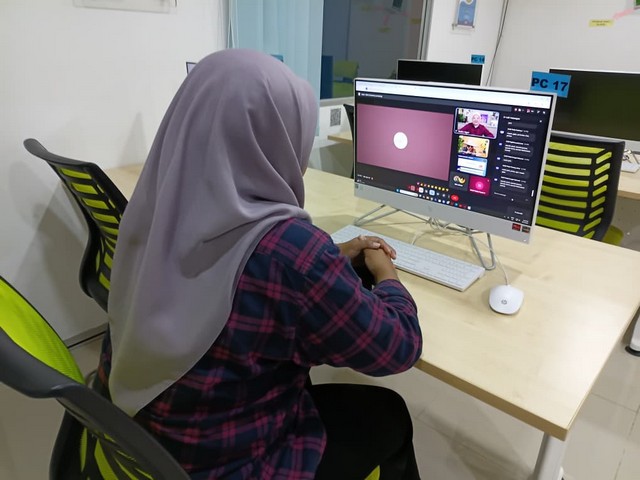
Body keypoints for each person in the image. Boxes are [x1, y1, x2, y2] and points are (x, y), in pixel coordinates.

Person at [97, 48, 422, 480]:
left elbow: (243, 270)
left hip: (142, 435)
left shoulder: (158, 209)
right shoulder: (292, 254)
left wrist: (328, 258)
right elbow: (398, 348)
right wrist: (385, 273)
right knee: (388, 413)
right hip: (230, 463)